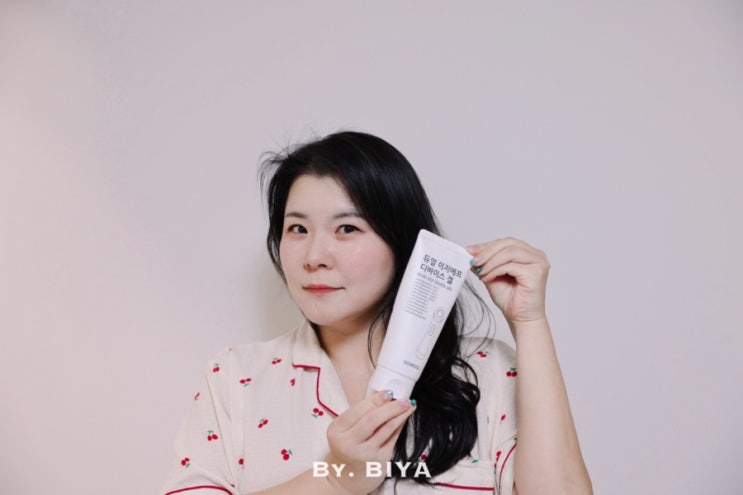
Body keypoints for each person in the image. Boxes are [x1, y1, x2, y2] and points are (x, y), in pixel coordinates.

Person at [160, 131, 592, 495]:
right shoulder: (236, 378)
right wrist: (335, 480)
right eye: (298, 229)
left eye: (347, 228)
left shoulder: (487, 369)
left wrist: (530, 324)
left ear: (401, 242)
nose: (314, 256)